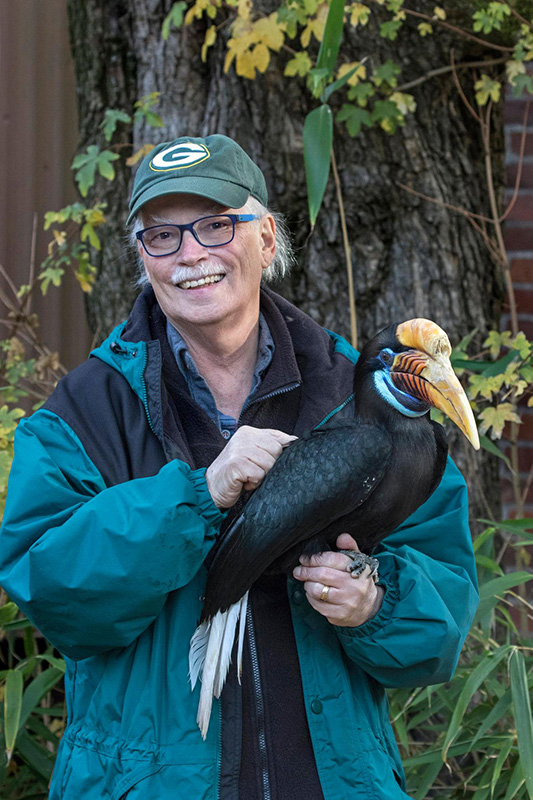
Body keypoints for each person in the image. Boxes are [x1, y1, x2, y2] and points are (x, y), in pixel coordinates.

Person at [0, 134, 479, 800]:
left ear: (266, 239)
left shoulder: (360, 393)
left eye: (216, 225)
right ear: (142, 259)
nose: (190, 254)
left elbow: (442, 619)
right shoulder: (86, 408)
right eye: (161, 237)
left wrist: (375, 601)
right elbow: (54, 589)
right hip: (143, 783)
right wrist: (199, 498)